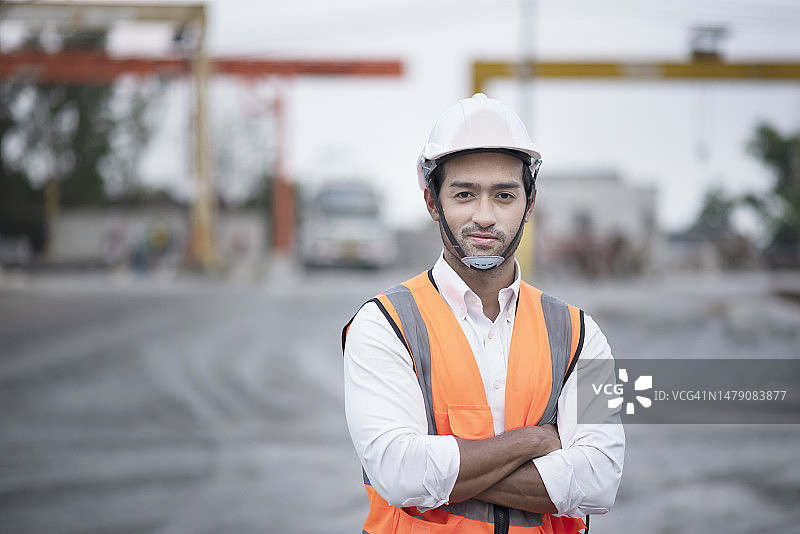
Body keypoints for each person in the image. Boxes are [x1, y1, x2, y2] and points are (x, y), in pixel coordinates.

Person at [342, 93, 624, 534]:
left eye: (504, 195)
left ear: (530, 204)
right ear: (433, 202)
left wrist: (445, 474)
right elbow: (398, 473)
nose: (485, 216)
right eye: (464, 194)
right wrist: (530, 441)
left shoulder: (577, 333)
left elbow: (600, 479)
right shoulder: (385, 325)